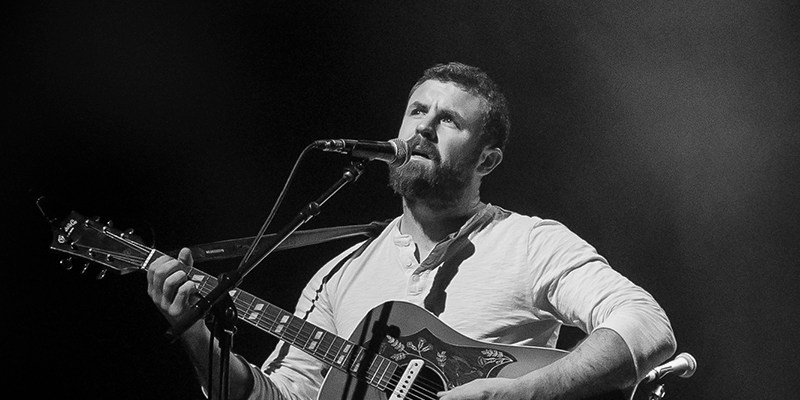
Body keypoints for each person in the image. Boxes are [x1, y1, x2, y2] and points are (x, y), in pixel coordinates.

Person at [147, 62, 676, 400]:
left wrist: (520, 394)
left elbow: (647, 327)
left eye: (449, 120)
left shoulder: (530, 244)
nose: (423, 126)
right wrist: (195, 335)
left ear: (487, 160)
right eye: (417, 111)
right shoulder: (340, 274)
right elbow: (280, 396)